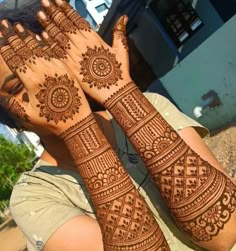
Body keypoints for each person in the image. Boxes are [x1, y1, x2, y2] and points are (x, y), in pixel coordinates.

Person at [0, 0, 236, 250]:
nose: (48, 84)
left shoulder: (149, 106)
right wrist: (78, 131)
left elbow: (226, 234)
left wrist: (121, 93)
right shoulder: (36, 196)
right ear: (11, 118)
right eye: (18, 86)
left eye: (52, 63)